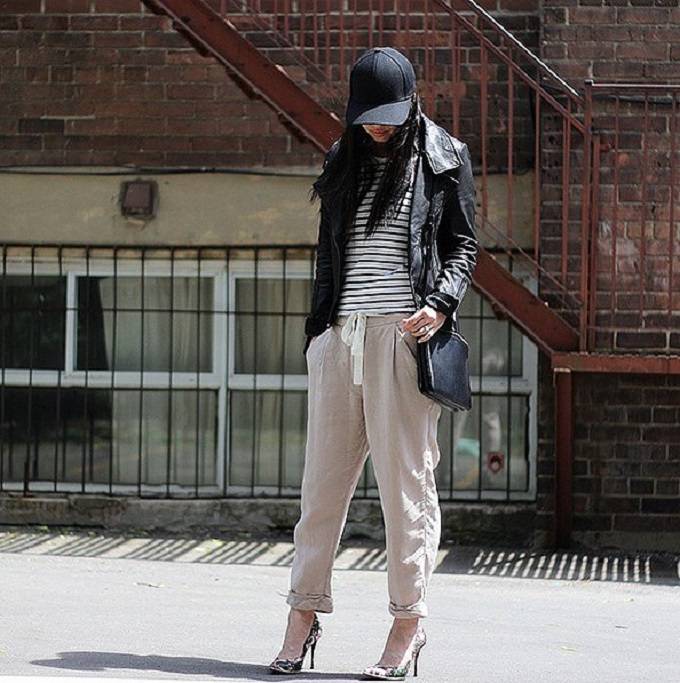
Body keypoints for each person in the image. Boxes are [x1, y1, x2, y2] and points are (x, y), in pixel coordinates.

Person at [268, 46, 478, 680]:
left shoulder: (442, 156)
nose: (378, 129)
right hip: (341, 339)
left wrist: (440, 304)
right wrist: (319, 335)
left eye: (388, 118)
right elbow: (328, 253)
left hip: (401, 337)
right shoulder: (344, 157)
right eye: (368, 119)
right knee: (320, 493)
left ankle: (407, 625)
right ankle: (302, 617)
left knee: (405, 493)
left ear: (412, 104)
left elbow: (462, 246)